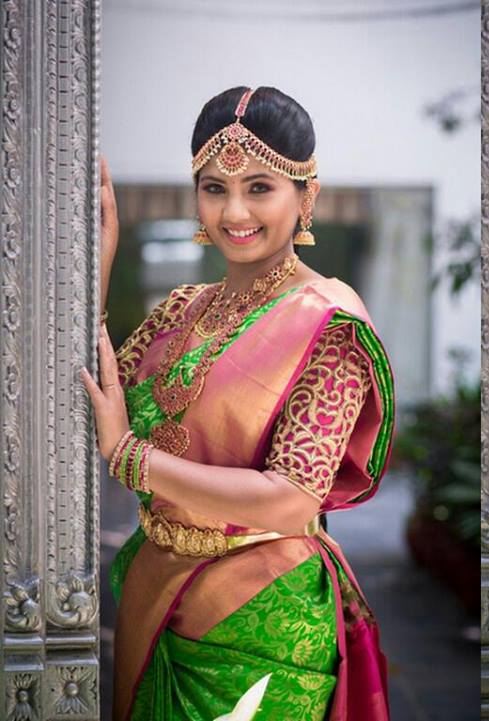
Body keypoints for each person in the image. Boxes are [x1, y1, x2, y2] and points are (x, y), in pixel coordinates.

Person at [80, 86, 394, 721]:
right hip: (154, 601)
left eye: (259, 187)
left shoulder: (327, 326)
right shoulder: (181, 309)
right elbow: (90, 387)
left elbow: (291, 497)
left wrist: (128, 458)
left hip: (263, 627)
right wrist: (96, 265)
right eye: (215, 187)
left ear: (307, 196)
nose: (234, 211)